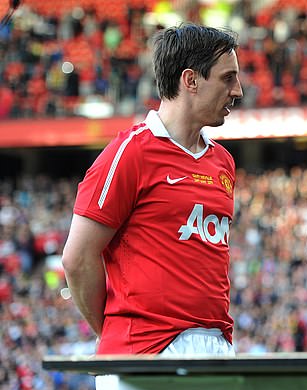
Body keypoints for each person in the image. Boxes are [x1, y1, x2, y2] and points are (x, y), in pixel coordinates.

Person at [62, 22, 243, 356]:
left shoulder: (223, 163)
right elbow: (77, 259)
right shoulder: (130, 152)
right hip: (145, 350)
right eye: (227, 78)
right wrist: (117, 335)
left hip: (216, 343)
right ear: (190, 80)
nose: (238, 91)